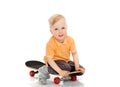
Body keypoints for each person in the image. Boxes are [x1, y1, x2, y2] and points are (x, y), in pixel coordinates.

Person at [38, 14, 85, 85]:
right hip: (53, 62)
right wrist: (60, 71)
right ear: (51, 31)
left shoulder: (70, 40)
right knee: (66, 67)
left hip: (65, 61)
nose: (60, 31)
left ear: (67, 28)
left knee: (81, 69)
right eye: (56, 29)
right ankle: (44, 70)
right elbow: (50, 59)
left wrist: (77, 67)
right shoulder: (50, 43)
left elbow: (74, 54)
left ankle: (67, 72)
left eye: (63, 28)